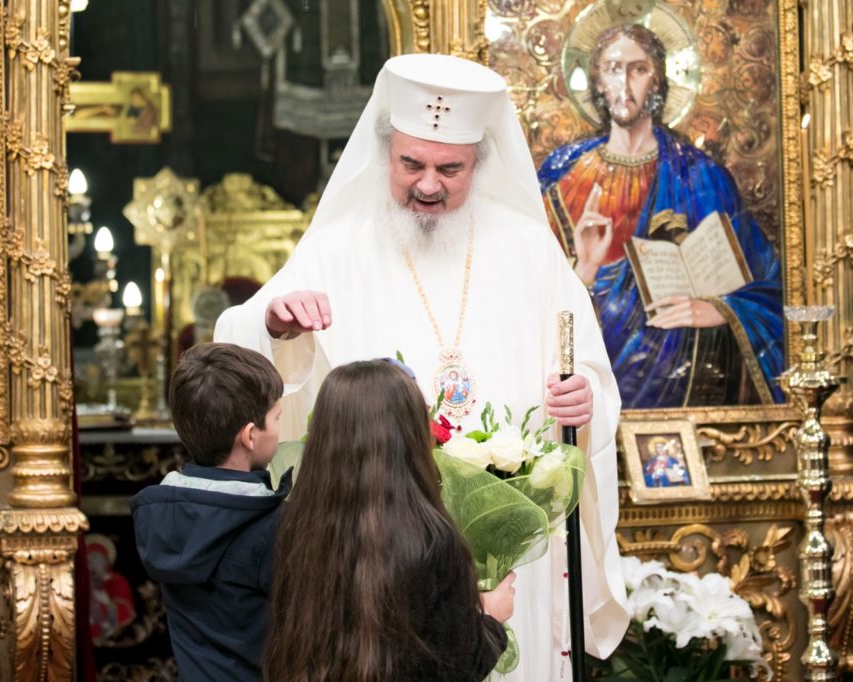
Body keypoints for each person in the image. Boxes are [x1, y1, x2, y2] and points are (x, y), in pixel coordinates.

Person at [215, 53, 627, 680]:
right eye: (411, 164)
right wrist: (274, 324)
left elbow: (587, 371)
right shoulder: (339, 246)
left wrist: (584, 397)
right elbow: (236, 344)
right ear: (387, 153)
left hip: (513, 538)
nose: (427, 184)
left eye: (449, 169)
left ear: (479, 163)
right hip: (380, 544)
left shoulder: (529, 249)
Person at [538, 23, 784, 409]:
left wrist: (720, 309)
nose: (624, 83)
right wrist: (585, 269)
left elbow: (769, 287)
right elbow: (529, 289)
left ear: (657, 79)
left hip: (683, 386)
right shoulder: (562, 174)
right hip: (586, 388)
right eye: (613, 69)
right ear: (598, 81)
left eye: (638, 69)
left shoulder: (701, 175)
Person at [264, 359, 515, 681]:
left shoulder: (293, 527)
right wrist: (492, 619)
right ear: (410, 434)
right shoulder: (430, 539)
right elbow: (453, 670)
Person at [130, 342, 290, 682]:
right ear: (250, 435)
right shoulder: (270, 525)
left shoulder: (164, 514)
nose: (279, 427)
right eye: (276, 418)